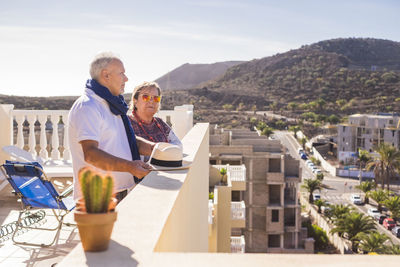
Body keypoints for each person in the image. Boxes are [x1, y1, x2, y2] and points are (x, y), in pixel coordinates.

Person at [68, 52, 154, 202]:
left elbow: (127, 141)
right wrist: (130, 166)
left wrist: (157, 149)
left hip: (119, 191)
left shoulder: (112, 105)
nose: (126, 79)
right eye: (122, 73)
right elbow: (91, 153)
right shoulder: (88, 106)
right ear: (106, 75)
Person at [129, 81, 182, 148]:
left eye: (156, 98)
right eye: (146, 97)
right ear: (135, 101)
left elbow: (178, 145)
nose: (151, 101)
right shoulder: (127, 123)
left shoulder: (160, 123)